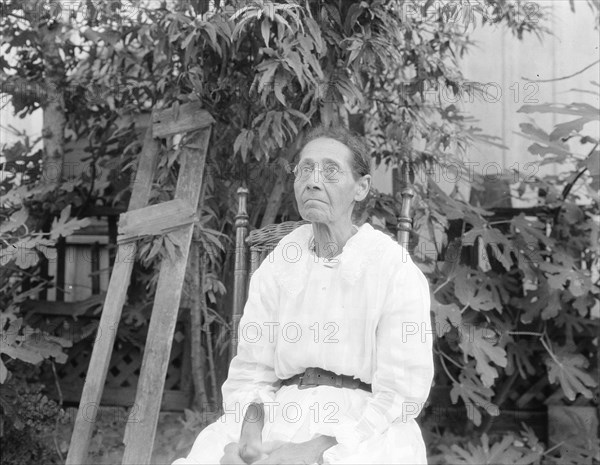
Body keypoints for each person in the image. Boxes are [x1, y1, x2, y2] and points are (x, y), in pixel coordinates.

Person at [172, 125, 434, 465]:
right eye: (305, 169)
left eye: (330, 170)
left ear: (362, 188)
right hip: (279, 414)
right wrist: (249, 438)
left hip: (364, 427)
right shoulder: (280, 265)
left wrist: (310, 452)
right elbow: (253, 370)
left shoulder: (392, 269)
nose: (312, 180)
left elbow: (400, 393)